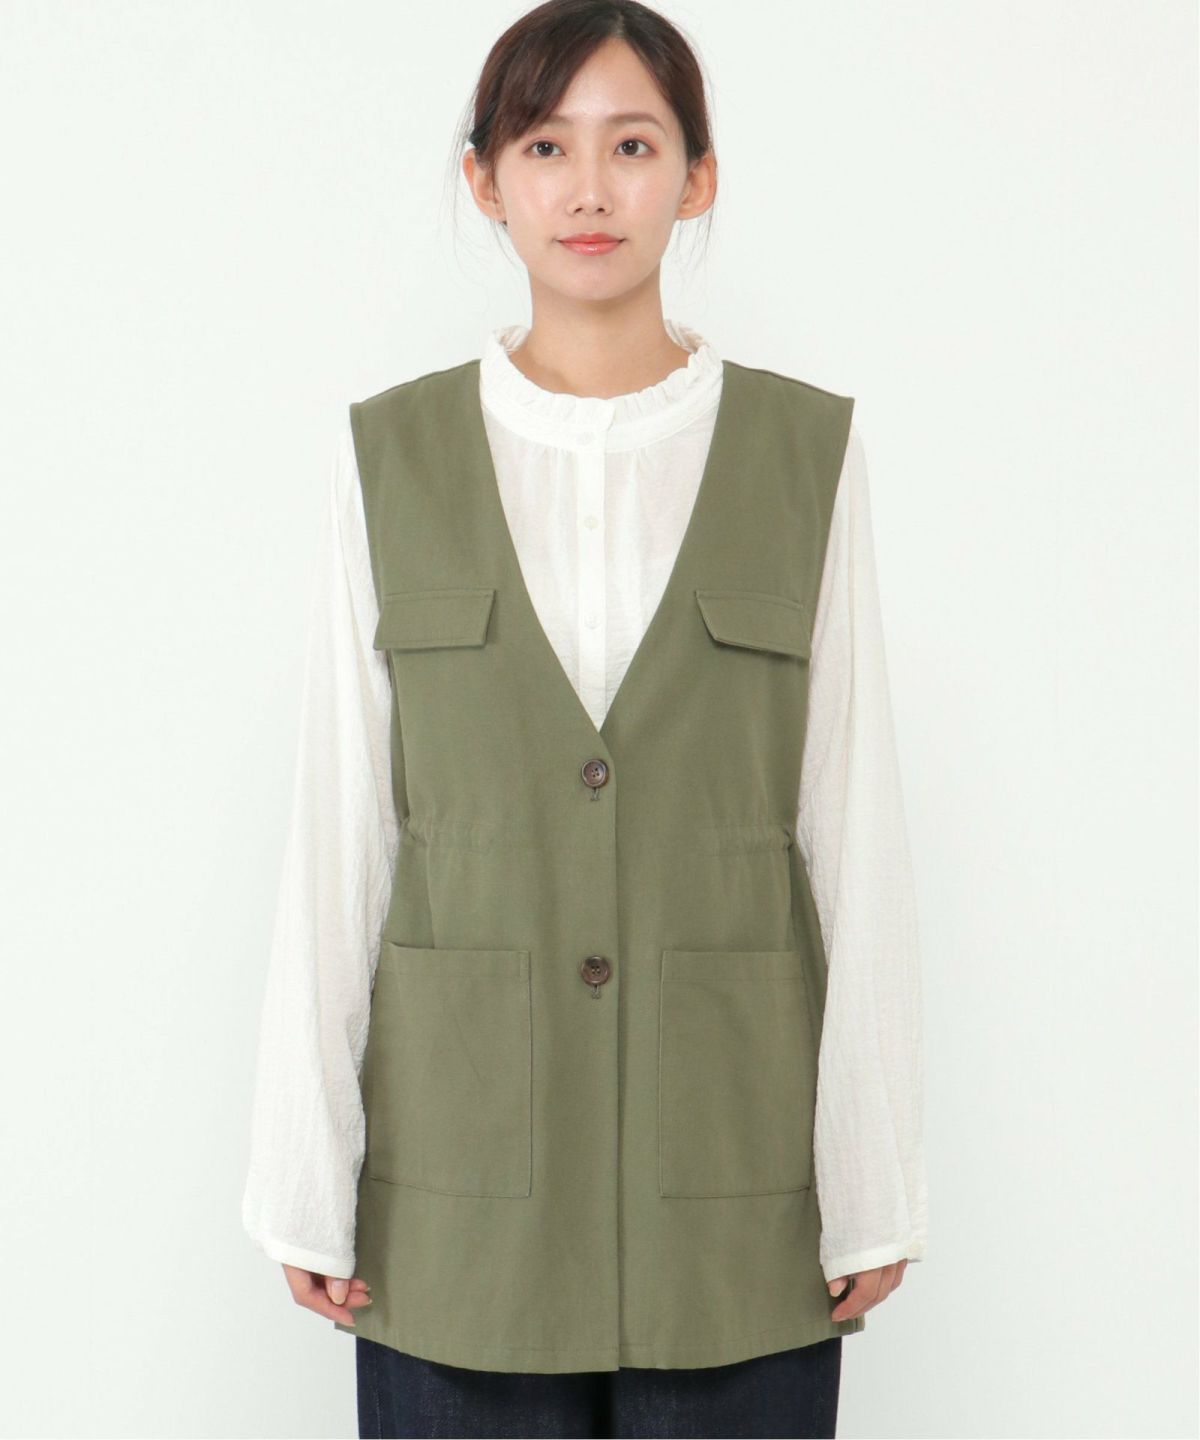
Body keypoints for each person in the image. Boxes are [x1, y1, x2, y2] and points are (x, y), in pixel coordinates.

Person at [241, 2, 928, 1436]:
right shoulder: (389, 454)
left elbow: (852, 819)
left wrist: (874, 1182)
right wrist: (304, 1172)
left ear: (699, 175)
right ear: (486, 179)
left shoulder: (808, 452)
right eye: (545, 147)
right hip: (459, 1196)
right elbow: (344, 823)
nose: (590, 189)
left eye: (634, 145)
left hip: (732, 1188)